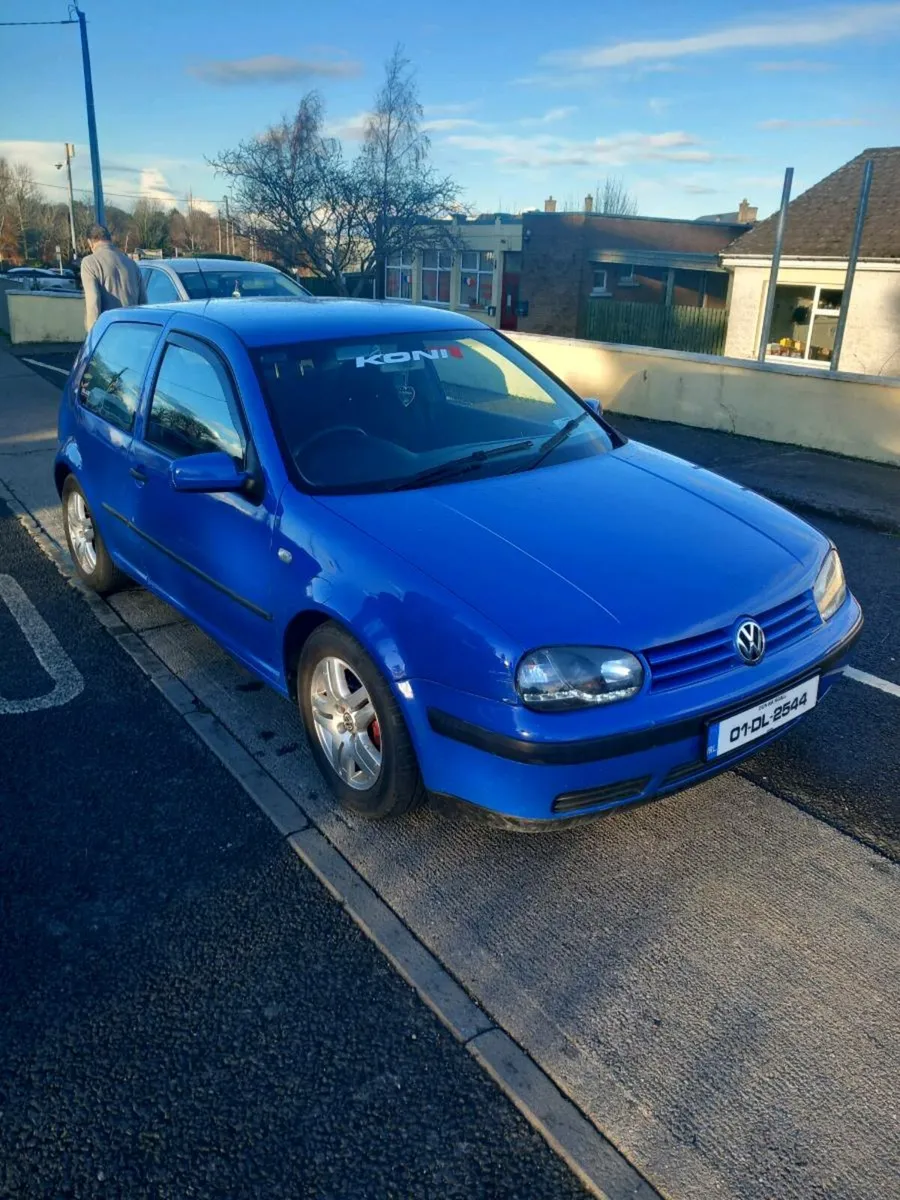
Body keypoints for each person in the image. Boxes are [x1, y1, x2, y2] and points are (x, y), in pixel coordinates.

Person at [80, 224, 147, 331]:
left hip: (110, 334)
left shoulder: (89, 263)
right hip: (134, 332)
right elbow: (143, 303)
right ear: (109, 239)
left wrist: (93, 336)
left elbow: (93, 303)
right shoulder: (132, 264)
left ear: (90, 242)